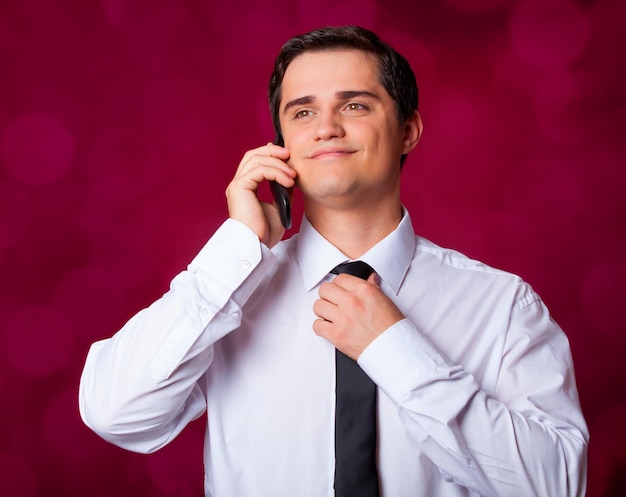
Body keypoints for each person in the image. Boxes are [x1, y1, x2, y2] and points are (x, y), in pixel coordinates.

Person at [79, 25, 588, 496]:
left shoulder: (502, 305)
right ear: (282, 145)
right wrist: (237, 248)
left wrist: (394, 349)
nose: (325, 128)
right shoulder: (230, 293)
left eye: (355, 106)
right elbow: (116, 413)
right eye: (302, 112)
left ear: (408, 130)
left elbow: (558, 486)